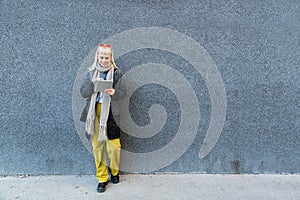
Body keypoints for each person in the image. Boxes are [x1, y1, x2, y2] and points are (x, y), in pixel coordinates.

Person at [80, 43, 125, 193]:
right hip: (94, 112)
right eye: (102, 57)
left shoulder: (117, 73)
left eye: (107, 57)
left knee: (114, 147)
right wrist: (93, 87)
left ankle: (114, 171)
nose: (104, 60)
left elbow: (123, 93)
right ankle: (102, 178)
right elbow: (83, 92)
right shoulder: (90, 72)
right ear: (97, 57)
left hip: (111, 113)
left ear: (111, 57)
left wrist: (114, 92)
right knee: (98, 148)